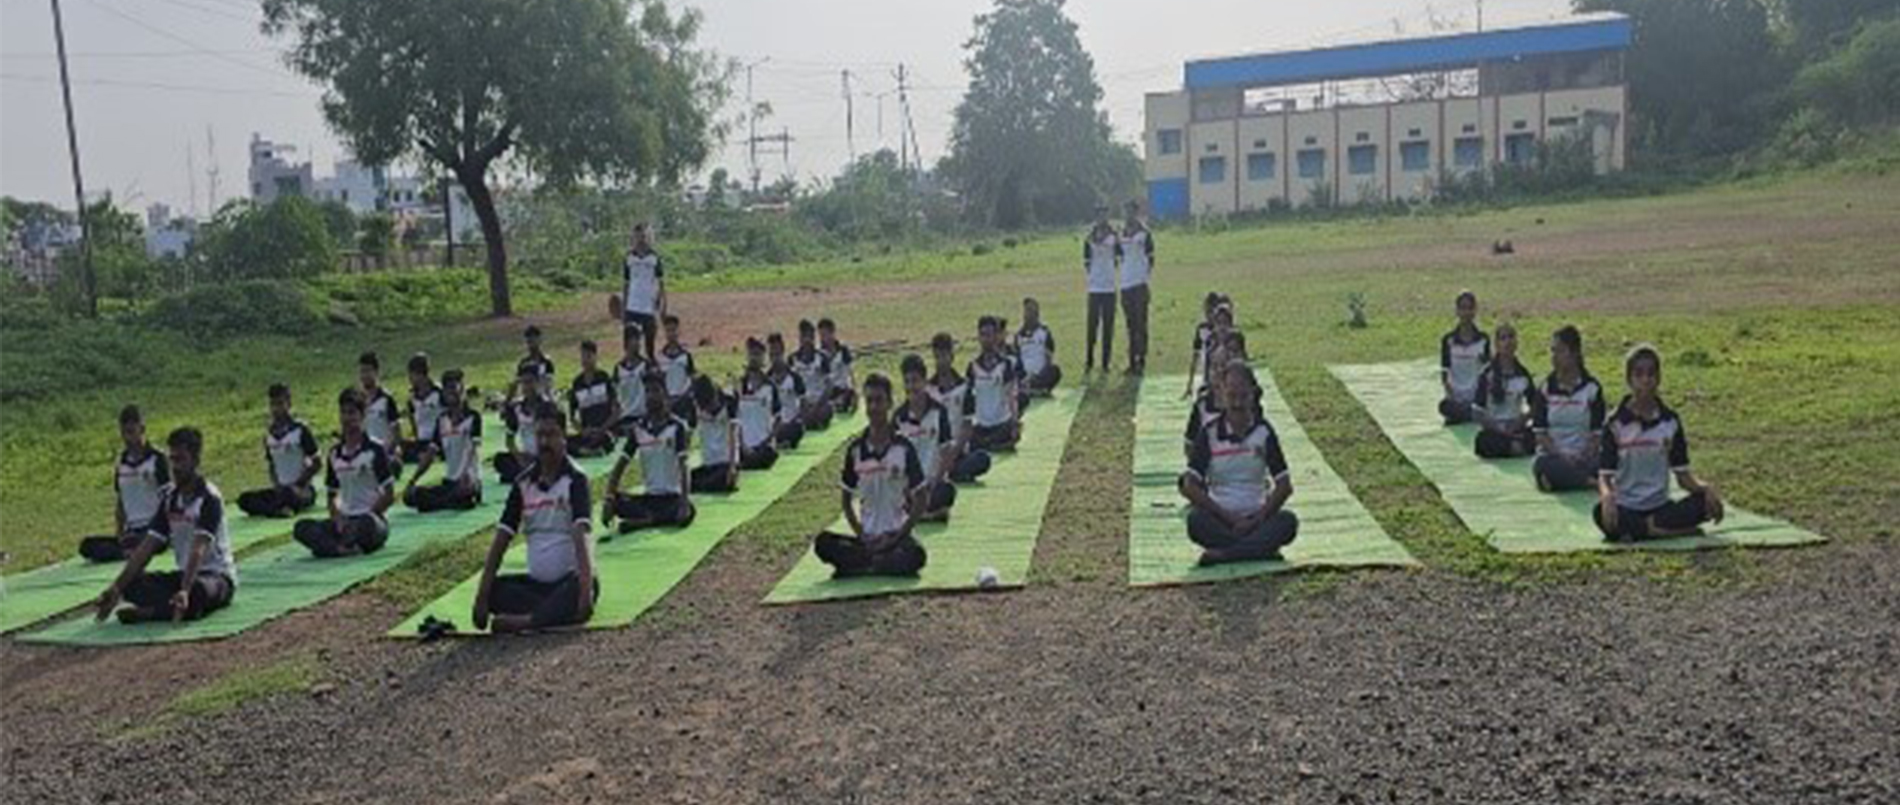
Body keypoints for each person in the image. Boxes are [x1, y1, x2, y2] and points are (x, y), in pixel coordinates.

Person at [90, 427, 236, 624]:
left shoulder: (209, 497)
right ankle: (170, 607)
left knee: (198, 593)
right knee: (132, 585)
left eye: (181, 460)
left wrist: (185, 590)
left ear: (196, 461)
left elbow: (198, 550)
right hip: (184, 575)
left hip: (215, 577)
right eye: (172, 460)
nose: (175, 467)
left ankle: (151, 613)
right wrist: (116, 588)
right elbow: (146, 548)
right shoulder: (169, 499)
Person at [472, 406, 596, 633]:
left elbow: (582, 537)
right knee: (496, 590)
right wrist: (482, 596)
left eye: (551, 435)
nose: (544, 442)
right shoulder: (523, 483)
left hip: (568, 581)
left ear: (564, 437)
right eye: (540, 435)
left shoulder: (576, 480)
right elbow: (501, 539)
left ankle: (526, 621)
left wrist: (585, 591)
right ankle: (549, 615)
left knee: (584, 587)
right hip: (536, 588)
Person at [1596, 345, 1726, 542]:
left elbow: (1683, 476)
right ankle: (1664, 530)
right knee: (1599, 513)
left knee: (1702, 504)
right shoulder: (1614, 423)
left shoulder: (1670, 421)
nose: (1645, 380)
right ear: (1629, 379)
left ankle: (1645, 530)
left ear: (1659, 378)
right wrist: (1607, 497)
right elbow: (1605, 476)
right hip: (1628, 507)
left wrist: (1705, 489)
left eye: (1651, 374)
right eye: (1639, 374)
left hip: (1661, 507)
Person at [1179, 361, 1300, 565]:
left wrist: (1258, 518)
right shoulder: (1209, 433)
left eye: (1243, 396)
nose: (1237, 404)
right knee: (1195, 521)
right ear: (1222, 394)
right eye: (1231, 396)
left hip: (1258, 518)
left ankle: (1227, 554)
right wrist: (1228, 517)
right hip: (1221, 519)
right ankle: (1259, 550)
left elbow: (1284, 485)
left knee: (1288, 522)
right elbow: (1190, 486)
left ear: (1253, 394)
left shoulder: (1264, 432)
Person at [811, 373, 928, 578]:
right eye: (870, 401)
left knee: (917, 555)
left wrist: (899, 535)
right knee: (823, 542)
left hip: (896, 538)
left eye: (879, 400)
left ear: (890, 403)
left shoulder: (904, 447)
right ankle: (876, 563)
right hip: (867, 540)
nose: (874, 407)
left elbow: (921, 497)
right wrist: (861, 534)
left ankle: (864, 566)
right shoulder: (855, 450)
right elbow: (846, 500)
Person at [294, 389, 396, 557]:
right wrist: (337, 518)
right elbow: (332, 495)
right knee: (302, 528)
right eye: (343, 413)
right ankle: (341, 549)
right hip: (346, 520)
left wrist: (371, 513)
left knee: (368, 525)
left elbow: (389, 494)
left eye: (352, 413)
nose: (347, 418)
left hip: (369, 520)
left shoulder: (375, 449)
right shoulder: (335, 454)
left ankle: (333, 547)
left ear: (362, 416)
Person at [602, 373, 696, 532]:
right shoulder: (638, 429)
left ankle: (646, 521)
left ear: (665, 395)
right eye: (647, 391)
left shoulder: (677, 427)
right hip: (649, 498)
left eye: (655, 391)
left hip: (671, 498)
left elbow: (684, 466)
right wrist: (609, 499)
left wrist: (685, 500)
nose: (650, 396)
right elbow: (619, 466)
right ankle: (650, 519)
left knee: (689, 511)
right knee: (616, 501)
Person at [77, 405, 172, 562]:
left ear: (142, 429)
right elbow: (121, 501)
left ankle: (133, 550)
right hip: (132, 531)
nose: (127, 439)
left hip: (153, 529)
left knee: (150, 541)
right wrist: (119, 533)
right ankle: (128, 551)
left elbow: (169, 499)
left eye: (131, 432)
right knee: (87, 545)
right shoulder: (121, 463)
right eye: (123, 433)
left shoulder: (157, 459)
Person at [1531, 325, 1606, 492]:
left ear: (1575, 353)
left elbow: (1597, 434)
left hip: (1585, 458)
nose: (1554, 357)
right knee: (1542, 466)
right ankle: (1591, 482)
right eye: (1552, 351)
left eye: (1560, 351)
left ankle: (1570, 480)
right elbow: (1541, 435)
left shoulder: (1592, 388)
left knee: (1612, 459)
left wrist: (1583, 454)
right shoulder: (1545, 389)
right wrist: (1562, 455)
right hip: (1555, 456)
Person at [235, 384, 322, 518]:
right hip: (281, 489)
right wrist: (277, 485)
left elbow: (317, 463)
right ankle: (278, 510)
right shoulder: (269, 435)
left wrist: (299, 484)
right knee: (244, 499)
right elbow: (272, 465)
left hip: (301, 490)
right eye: (273, 404)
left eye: (280, 404)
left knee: (288, 495)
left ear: (289, 404)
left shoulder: (300, 430)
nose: (276, 409)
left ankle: (276, 508)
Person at [403, 370, 483, 512]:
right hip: (450, 482)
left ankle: (448, 501)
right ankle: (448, 502)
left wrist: (466, 476)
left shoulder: (473, 417)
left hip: (468, 480)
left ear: (462, 391)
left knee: (463, 493)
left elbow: (473, 450)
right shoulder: (441, 420)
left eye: (455, 388)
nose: (452, 393)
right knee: (415, 495)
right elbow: (430, 454)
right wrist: (413, 480)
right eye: (448, 390)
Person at [897, 355, 959, 521]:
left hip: (931, 485)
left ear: (925, 382)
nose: (911, 386)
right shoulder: (899, 417)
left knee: (948, 491)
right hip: (908, 489)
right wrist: (905, 489)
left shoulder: (939, 412)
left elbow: (946, 452)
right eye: (907, 381)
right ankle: (926, 514)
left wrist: (935, 481)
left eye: (915, 381)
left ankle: (916, 514)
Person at [930, 332, 990, 484]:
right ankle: (949, 474)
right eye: (937, 357)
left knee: (983, 459)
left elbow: (967, 427)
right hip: (933, 453)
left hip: (957, 453)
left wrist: (952, 456)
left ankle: (951, 472)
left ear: (952, 356)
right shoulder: (928, 389)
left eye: (944, 356)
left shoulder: (964, 387)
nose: (940, 362)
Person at [1472, 323, 1538, 459]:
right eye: (1503, 338)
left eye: (1511, 337)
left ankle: (1511, 447)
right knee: (1483, 441)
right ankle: (1513, 448)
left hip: (1516, 428)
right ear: (1496, 344)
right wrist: (1496, 427)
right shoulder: (1486, 374)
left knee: (1536, 436)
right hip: (1494, 429)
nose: (1508, 341)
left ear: (1517, 343)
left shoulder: (1523, 374)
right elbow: (1477, 411)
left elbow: (1536, 406)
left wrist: (1521, 421)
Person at [965, 315, 1022, 453]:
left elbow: (1011, 396)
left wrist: (1014, 423)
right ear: (978, 337)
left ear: (996, 337)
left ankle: (991, 443)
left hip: (1001, 423)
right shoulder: (973, 366)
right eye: (983, 335)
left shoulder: (1005, 364)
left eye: (989, 335)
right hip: (981, 425)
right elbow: (967, 400)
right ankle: (990, 444)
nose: (986, 339)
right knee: (970, 439)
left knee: (1009, 432)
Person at [495, 364, 556, 480]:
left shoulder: (547, 406)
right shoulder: (516, 408)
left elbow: (554, 438)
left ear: (538, 383)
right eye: (523, 383)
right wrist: (519, 457)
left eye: (530, 382)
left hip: (545, 453)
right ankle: (527, 472)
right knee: (500, 459)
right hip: (525, 456)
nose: (527, 387)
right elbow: (509, 441)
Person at [1439, 291, 1490, 425]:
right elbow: (1444, 373)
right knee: (1444, 406)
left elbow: (1487, 372)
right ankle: (1468, 414)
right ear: (1457, 311)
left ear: (1475, 311)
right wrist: (1452, 397)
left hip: (1476, 398)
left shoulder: (1483, 339)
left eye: (1470, 308)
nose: (1466, 313)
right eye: (1462, 308)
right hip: (1455, 399)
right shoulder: (1448, 340)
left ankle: (1468, 414)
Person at [617, 222, 665, 362]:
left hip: (648, 307)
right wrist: (623, 307)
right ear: (633, 238)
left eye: (643, 236)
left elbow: (660, 282)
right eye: (637, 236)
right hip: (632, 307)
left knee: (650, 346)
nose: (641, 240)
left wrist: (661, 302)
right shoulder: (628, 258)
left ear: (648, 237)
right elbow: (626, 284)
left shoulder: (655, 257)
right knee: (630, 345)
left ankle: (651, 369)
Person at [1119, 199, 1156, 374]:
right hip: (1125, 284)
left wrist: (1144, 276)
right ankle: (1131, 361)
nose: (1128, 214)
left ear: (1136, 212)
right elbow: (1118, 256)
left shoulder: (1145, 233)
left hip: (1140, 285)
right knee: (1130, 325)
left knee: (1141, 324)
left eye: (1131, 211)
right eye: (1126, 211)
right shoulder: (1121, 234)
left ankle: (1141, 359)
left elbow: (1151, 258)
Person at [735, 338, 783, 470]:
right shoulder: (739, 386)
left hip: (763, 445)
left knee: (770, 453)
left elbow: (778, 418)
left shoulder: (770, 387)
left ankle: (747, 464)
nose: (754, 358)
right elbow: (733, 421)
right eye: (751, 354)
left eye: (757, 354)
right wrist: (742, 445)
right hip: (743, 445)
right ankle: (747, 462)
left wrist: (769, 439)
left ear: (763, 358)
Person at [1082, 205, 1119, 373]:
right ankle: (1089, 359)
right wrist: (1094, 276)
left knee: (1108, 327)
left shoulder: (1114, 236)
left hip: (1109, 288)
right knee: (1092, 326)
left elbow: (1118, 257)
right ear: (1096, 217)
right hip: (1094, 288)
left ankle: (1105, 362)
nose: (1102, 218)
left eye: (1105, 215)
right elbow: (1086, 262)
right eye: (1099, 215)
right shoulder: (1089, 237)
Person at [689, 375, 741, 493]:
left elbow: (733, 436)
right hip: (708, 463)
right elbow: (689, 435)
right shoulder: (696, 407)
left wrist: (732, 467)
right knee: (688, 482)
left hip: (725, 463)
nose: (708, 409)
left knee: (716, 481)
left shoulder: (730, 403)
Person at [358, 351, 405, 477]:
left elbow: (396, 433)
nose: (364, 375)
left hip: (384, 452)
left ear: (376, 372)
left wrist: (385, 451)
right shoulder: (357, 400)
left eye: (368, 371)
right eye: (362, 371)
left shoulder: (386, 399)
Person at [567, 340, 617, 457]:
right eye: (583, 356)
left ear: (595, 357)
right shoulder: (577, 383)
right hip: (587, 433)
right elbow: (572, 417)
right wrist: (582, 430)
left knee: (607, 440)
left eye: (588, 356)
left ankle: (587, 450)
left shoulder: (603, 378)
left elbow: (617, 411)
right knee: (565, 442)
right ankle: (589, 452)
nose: (585, 360)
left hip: (605, 431)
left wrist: (603, 428)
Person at [789, 319, 835, 431]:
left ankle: (810, 422)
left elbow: (829, 386)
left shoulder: (822, 358)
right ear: (800, 338)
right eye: (804, 336)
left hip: (818, 402)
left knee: (828, 409)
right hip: (801, 405)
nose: (807, 340)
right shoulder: (792, 359)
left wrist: (817, 405)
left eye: (810, 337)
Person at [1184, 295, 1232, 399]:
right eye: (1206, 311)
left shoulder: (1227, 330)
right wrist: (1190, 384)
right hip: (1208, 376)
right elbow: (1195, 356)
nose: (1208, 314)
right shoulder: (1202, 329)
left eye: (1210, 311)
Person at [765, 332, 807, 450]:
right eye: (771, 355)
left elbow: (803, 405)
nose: (774, 359)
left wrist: (795, 419)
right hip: (773, 424)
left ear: (783, 352)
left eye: (777, 354)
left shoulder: (795, 377)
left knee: (797, 428)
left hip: (790, 423)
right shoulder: (766, 379)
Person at [611, 323, 652, 438]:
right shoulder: (618, 368)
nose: (638, 343)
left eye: (639, 339)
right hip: (625, 418)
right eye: (635, 339)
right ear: (626, 342)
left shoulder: (646, 365)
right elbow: (614, 396)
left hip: (642, 417)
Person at [1014, 298, 1062, 395]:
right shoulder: (1018, 336)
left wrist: (1039, 374)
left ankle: (1033, 387)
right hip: (1023, 375)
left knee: (1055, 371)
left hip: (1039, 374)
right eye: (1026, 310)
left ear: (1037, 314)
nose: (1028, 314)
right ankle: (1029, 388)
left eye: (1031, 310)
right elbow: (1016, 359)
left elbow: (1049, 358)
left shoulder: (1045, 332)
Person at [402, 352, 443, 465]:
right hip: (421, 441)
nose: (410, 379)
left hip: (438, 440)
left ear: (421, 374)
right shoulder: (412, 399)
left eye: (412, 375)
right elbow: (414, 424)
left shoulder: (439, 393)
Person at [656, 314, 698, 420]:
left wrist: (686, 396)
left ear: (679, 331)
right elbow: (659, 381)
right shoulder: (660, 357)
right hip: (667, 402)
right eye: (668, 330)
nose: (671, 334)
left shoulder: (685, 356)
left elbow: (692, 378)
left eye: (673, 330)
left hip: (683, 401)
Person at [818, 317, 858, 415]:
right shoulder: (819, 355)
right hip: (829, 392)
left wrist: (855, 390)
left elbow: (850, 371)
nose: (822, 339)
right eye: (820, 335)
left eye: (824, 335)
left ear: (832, 333)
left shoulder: (843, 351)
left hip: (844, 389)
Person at [518, 324, 557, 389]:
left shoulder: (546, 362)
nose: (531, 345)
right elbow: (518, 381)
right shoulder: (524, 363)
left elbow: (549, 383)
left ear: (539, 341)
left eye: (533, 341)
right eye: (529, 342)